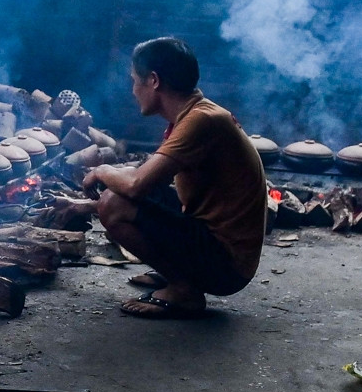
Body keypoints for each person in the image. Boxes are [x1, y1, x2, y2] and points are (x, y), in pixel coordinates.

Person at [82, 37, 265, 320]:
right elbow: (147, 176)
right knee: (124, 194)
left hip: (227, 266)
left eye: (135, 81)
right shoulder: (195, 113)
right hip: (215, 245)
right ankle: (176, 274)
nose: (133, 91)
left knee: (113, 205)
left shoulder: (200, 121)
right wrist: (77, 204)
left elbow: (135, 184)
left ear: (153, 80)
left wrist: (100, 171)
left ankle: (184, 290)